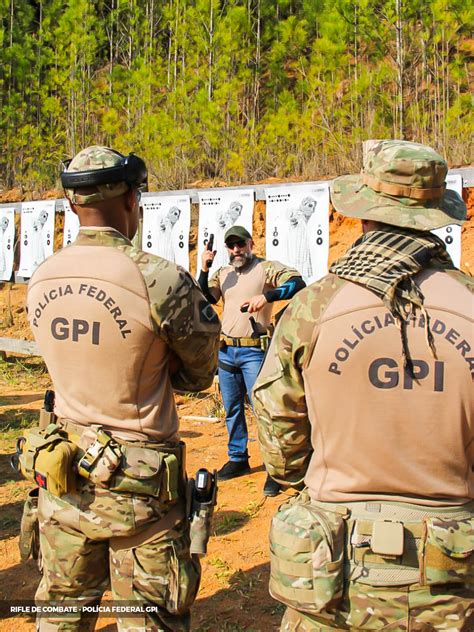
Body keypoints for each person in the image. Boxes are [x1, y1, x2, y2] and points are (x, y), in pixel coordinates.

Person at [253, 140, 473, 630]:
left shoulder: (316, 305)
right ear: (436, 217)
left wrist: (307, 475)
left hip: (333, 568)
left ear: (364, 215)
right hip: (450, 579)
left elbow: (279, 432)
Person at [25, 145, 220, 631]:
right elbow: (199, 373)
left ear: (73, 205)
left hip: (64, 476)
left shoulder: (42, 275)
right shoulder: (159, 279)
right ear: (134, 200)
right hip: (140, 493)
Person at [198, 225, 305, 496]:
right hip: (226, 351)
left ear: (250, 244)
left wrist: (266, 296)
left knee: (264, 412)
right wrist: (204, 268)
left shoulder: (266, 268)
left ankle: (274, 470)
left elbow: (297, 284)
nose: (237, 250)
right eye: (231, 246)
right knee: (232, 409)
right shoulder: (223, 274)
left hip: (254, 353)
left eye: (241, 244)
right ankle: (238, 459)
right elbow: (204, 298)